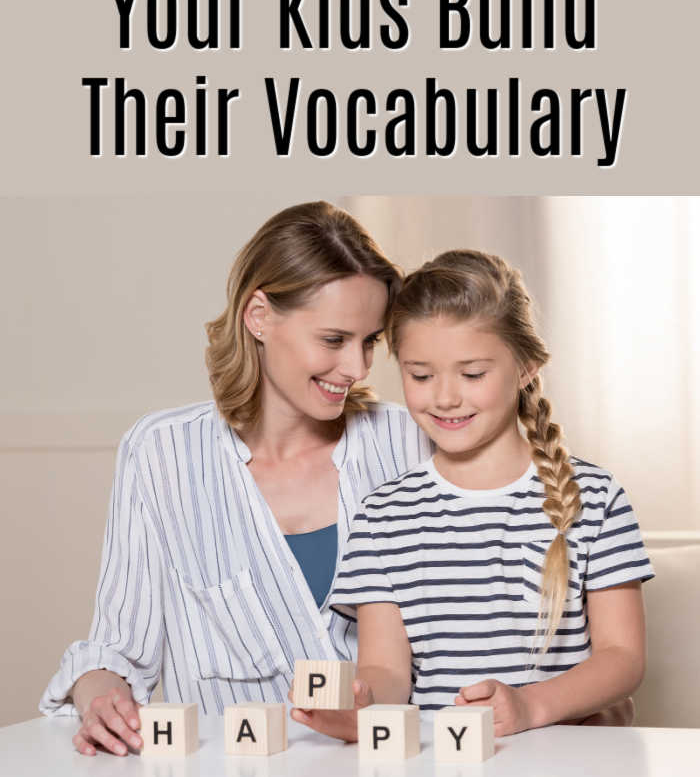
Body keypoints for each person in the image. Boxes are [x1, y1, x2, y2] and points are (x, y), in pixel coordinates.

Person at [39, 201, 431, 756]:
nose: (359, 368)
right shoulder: (163, 452)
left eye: (371, 342)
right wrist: (100, 694)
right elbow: (119, 647)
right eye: (334, 339)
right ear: (258, 316)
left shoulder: (406, 441)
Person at [294, 250, 653, 740]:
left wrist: (529, 706)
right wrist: (361, 706)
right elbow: (387, 671)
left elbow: (623, 659)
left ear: (526, 367)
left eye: (472, 374)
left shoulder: (595, 496)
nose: (444, 397)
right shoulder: (383, 515)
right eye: (421, 375)